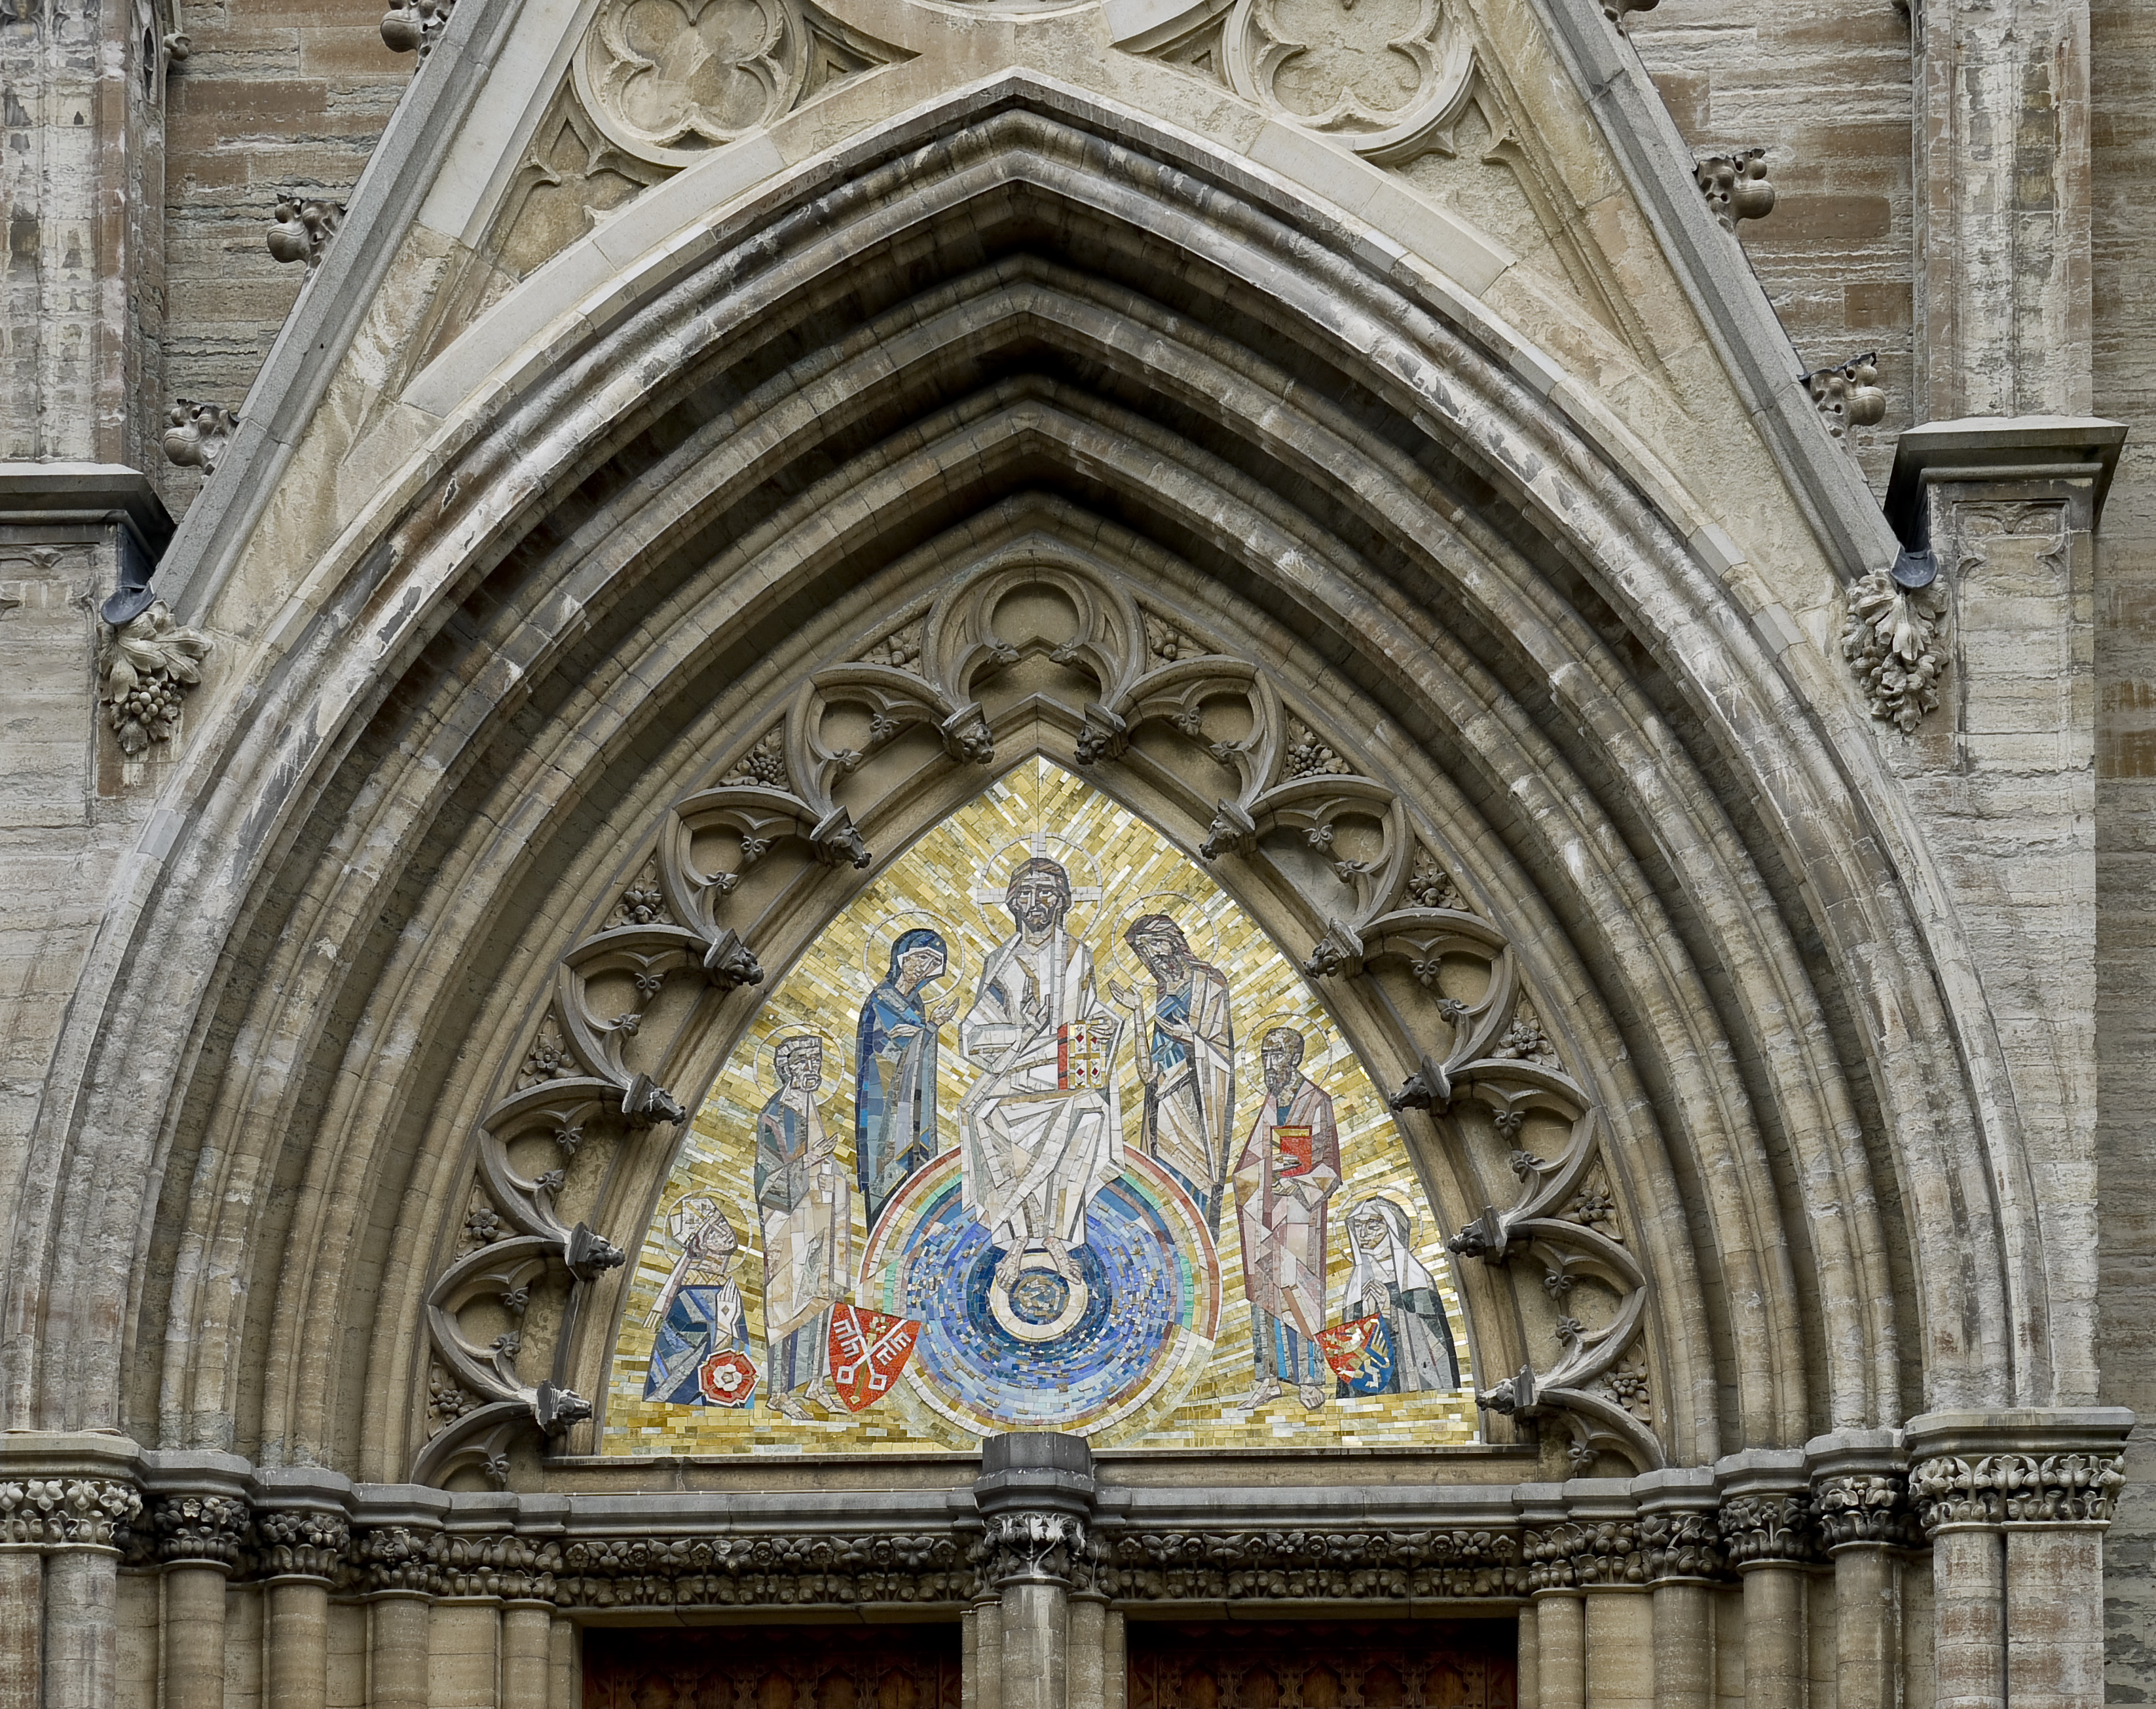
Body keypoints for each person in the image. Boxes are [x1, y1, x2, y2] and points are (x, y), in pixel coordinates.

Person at [957, 855, 1123, 1288]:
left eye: (1047, 892)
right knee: (984, 1116)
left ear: (1062, 901)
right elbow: (974, 1032)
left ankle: (1054, 1236)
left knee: (1090, 1114)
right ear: (1013, 903)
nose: (1036, 902)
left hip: (1064, 1071)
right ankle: (1017, 1241)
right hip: (1014, 1074)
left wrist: (1107, 1025)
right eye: (1026, 893)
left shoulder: (1077, 956)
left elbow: (1088, 1018)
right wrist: (1021, 1030)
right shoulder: (999, 961)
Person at [1231, 1026, 1342, 1410]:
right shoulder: (1269, 1104)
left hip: (1298, 1218)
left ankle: (1310, 1380)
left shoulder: (1316, 1102)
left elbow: (1330, 1169)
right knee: (1264, 1296)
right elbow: (1248, 1167)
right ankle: (1268, 1379)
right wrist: (1258, 1180)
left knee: (1301, 1295)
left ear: (1295, 1058)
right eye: (1264, 1054)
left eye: (1276, 1054)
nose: (1268, 1063)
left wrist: (1297, 1184)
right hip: (1264, 1218)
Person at [1110, 913, 1234, 1231]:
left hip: (1197, 1106)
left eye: (1154, 947)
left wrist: (1190, 1039)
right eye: (1143, 953)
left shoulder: (1210, 984)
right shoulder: (1161, 993)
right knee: (1165, 1183)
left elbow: (1221, 1052)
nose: (1152, 958)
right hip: (1162, 1108)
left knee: (1197, 1181)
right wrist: (1137, 1011)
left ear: (1173, 941)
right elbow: (1148, 1072)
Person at [754, 1035, 851, 1420]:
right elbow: (767, 1178)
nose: (813, 1070)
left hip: (823, 1219)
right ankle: (779, 1391)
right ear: (788, 1068)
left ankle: (815, 1384)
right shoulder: (774, 1115)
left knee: (821, 1299)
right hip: (790, 1224)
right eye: (804, 1063)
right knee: (787, 1303)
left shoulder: (810, 1107)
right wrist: (812, 1159)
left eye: (817, 1062)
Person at [855, 927, 954, 1230]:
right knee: (886, 1175)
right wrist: (929, 1028)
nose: (924, 968)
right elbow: (884, 1053)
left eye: (932, 963)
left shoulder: (917, 1005)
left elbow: (916, 1051)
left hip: (913, 1109)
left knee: (913, 1171)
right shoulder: (882, 999)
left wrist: (928, 1030)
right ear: (902, 958)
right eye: (920, 958)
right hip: (882, 1106)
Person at [1341, 1195, 1460, 1391]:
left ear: (1392, 1228)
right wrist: (1367, 1322)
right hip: (1371, 1386)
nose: (1362, 1234)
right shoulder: (1356, 1284)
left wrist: (1389, 1311)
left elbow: (1437, 1341)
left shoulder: (1415, 1278)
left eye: (1372, 1226)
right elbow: (1348, 1353)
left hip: (1411, 1379)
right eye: (1357, 1226)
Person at [641, 1197, 750, 1404]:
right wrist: (723, 1327)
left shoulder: (728, 1285)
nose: (725, 1231)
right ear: (700, 1242)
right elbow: (680, 1348)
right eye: (714, 1229)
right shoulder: (690, 1285)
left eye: (722, 1222)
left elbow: (741, 1348)